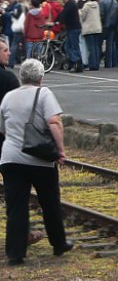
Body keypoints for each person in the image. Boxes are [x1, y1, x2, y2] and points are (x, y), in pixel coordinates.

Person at [0, 58, 72, 265]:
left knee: (16, 206)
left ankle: (15, 253)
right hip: (40, 160)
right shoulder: (44, 93)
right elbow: (54, 122)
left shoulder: (8, 97)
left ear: (22, 76)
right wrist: (60, 150)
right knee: (50, 203)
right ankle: (59, 243)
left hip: (11, 158)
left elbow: (2, 127)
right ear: (41, 77)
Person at [56, 0, 83, 73]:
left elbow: (63, 14)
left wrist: (57, 22)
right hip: (74, 27)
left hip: (73, 28)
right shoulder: (72, 3)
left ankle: (77, 61)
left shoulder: (70, 3)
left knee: (72, 47)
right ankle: (75, 63)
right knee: (69, 46)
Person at [80, 0, 103, 71]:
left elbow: (82, 16)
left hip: (89, 28)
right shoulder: (97, 4)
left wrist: (79, 12)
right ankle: (96, 64)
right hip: (97, 28)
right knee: (96, 47)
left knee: (91, 48)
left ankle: (92, 65)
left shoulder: (86, 5)